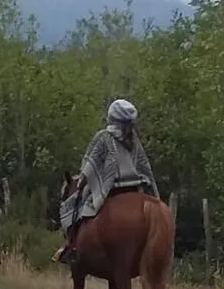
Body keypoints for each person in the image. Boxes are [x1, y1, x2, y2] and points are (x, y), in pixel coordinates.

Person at [53, 98, 159, 266]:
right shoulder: (134, 140)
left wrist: (82, 179)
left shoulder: (104, 137)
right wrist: (153, 193)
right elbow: (145, 167)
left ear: (112, 118)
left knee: (76, 206)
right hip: (135, 188)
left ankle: (71, 247)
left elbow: (92, 160)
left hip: (111, 188)